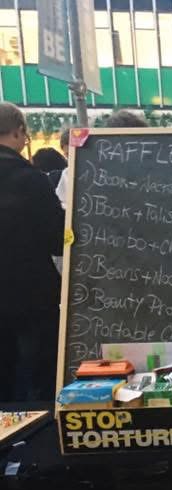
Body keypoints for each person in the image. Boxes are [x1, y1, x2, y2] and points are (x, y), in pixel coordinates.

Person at [0, 102, 64, 401]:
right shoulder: (29, 179)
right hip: (31, 296)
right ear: (18, 132)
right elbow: (57, 238)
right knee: (38, 379)